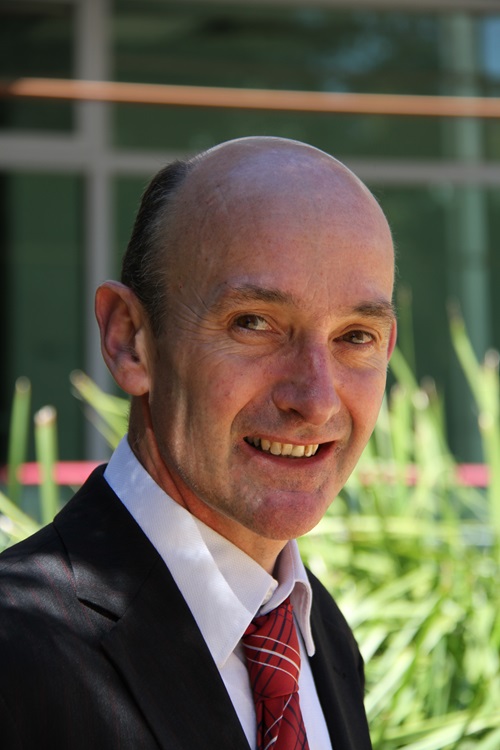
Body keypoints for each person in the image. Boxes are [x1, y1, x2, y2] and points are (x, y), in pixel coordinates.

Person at [0, 136, 396, 749]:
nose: (316, 398)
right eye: (254, 323)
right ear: (131, 340)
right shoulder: (17, 648)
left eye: (356, 336)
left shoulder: (321, 644)